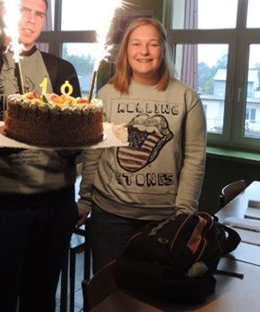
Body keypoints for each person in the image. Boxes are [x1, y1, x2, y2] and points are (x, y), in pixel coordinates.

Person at [0, 0, 81, 311]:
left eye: (39, 14)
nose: (31, 20)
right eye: (24, 10)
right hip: (3, 206)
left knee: (40, 299)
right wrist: (27, 132)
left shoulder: (62, 69)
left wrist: (76, 143)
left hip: (55, 204)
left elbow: (74, 138)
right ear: (6, 12)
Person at [77, 17, 207, 272]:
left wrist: (184, 213)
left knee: (154, 291)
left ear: (164, 49)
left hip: (164, 218)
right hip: (110, 216)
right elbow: (94, 152)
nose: (144, 51)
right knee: (109, 290)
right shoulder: (107, 94)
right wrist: (85, 200)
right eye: (136, 44)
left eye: (153, 44)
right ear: (126, 50)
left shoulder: (186, 98)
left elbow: (195, 158)